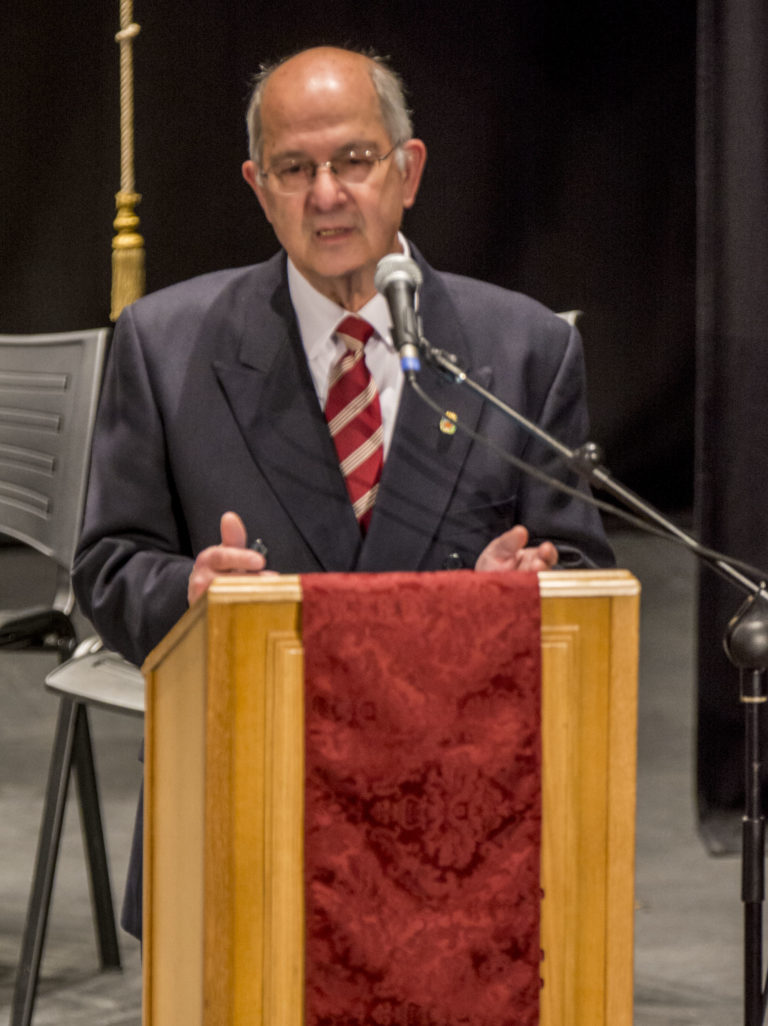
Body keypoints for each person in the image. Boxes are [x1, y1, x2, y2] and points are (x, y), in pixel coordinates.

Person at [72, 45, 614, 939]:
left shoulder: (520, 349)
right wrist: (191, 595)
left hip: (458, 824)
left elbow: (586, 573)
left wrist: (522, 587)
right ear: (258, 184)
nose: (327, 194)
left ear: (409, 168)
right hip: (250, 803)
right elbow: (107, 565)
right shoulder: (165, 346)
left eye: (355, 161)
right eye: (295, 168)